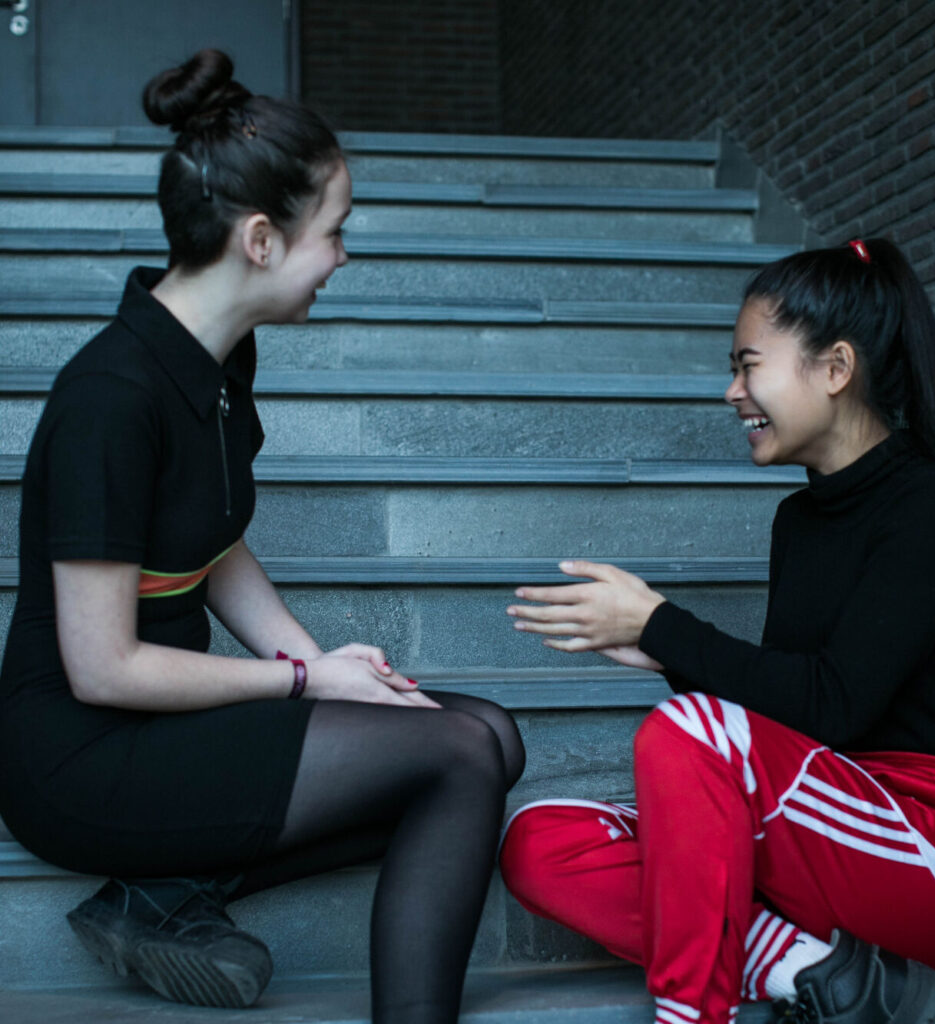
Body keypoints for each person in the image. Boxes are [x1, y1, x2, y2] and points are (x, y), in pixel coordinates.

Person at [0, 49, 524, 1023]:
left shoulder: (220, 360)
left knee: (489, 733)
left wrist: (324, 664)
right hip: (78, 753)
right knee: (453, 754)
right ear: (259, 239)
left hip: (160, 725)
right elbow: (101, 667)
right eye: (335, 232)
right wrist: (299, 682)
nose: (343, 257)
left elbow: (214, 541)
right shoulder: (110, 398)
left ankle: (165, 894)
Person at [500, 238, 935, 1024]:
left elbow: (835, 706)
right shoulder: (799, 520)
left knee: (684, 734)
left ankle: (694, 1013)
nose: (731, 392)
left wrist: (666, 629)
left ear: (836, 369)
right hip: (817, 829)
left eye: (749, 365)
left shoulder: (934, 509)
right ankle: (814, 968)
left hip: (928, 846)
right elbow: (790, 715)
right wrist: (659, 649)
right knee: (538, 842)